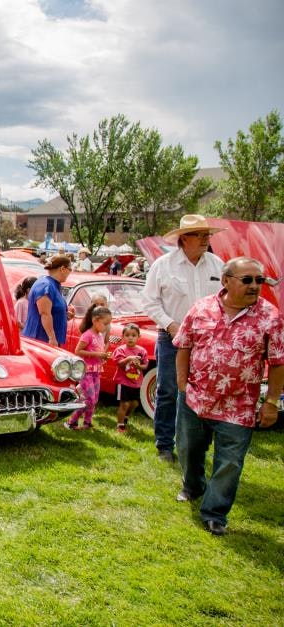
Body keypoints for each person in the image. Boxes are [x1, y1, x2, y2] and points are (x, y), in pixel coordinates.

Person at [173, 256, 283, 536]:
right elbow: (184, 346)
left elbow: (278, 361)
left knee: (230, 462)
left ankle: (214, 513)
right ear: (226, 281)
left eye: (259, 280)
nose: (255, 286)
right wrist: (183, 386)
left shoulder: (270, 316)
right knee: (188, 450)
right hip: (195, 399)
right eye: (247, 280)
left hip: (239, 406)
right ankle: (193, 486)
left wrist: (270, 403)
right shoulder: (201, 308)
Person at [141, 214, 225, 462]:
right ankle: (165, 445)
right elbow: (149, 301)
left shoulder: (217, 264)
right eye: (200, 235)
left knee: (205, 390)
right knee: (168, 389)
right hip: (172, 338)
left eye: (207, 235)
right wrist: (171, 325)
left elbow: (225, 299)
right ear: (183, 239)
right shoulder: (163, 265)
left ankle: (196, 443)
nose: (205, 240)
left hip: (208, 340)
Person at [65, 305, 112, 430]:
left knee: (94, 399)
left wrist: (103, 357)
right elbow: (78, 351)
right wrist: (97, 354)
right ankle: (71, 421)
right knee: (89, 399)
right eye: (105, 323)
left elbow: (97, 353)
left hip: (96, 372)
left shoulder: (100, 336)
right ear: (95, 320)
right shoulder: (88, 335)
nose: (107, 326)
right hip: (86, 372)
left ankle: (87, 422)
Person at [22, 254, 76, 347]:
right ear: (62, 269)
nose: (70, 272)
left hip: (49, 340)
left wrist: (65, 315)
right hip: (40, 340)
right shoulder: (45, 285)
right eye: (70, 269)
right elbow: (44, 313)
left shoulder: (54, 285)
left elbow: (52, 310)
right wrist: (52, 337)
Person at [112, 323, 149, 432]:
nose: (130, 338)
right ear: (123, 337)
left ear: (138, 337)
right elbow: (119, 363)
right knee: (124, 403)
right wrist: (129, 358)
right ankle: (120, 425)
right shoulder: (121, 350)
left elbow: (145, 365)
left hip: (136, 382)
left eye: (133, 335)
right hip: (123, 381)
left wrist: (139, 366)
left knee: (135, 403)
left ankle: (125, 417)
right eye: (127, 335)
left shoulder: (142, 351)